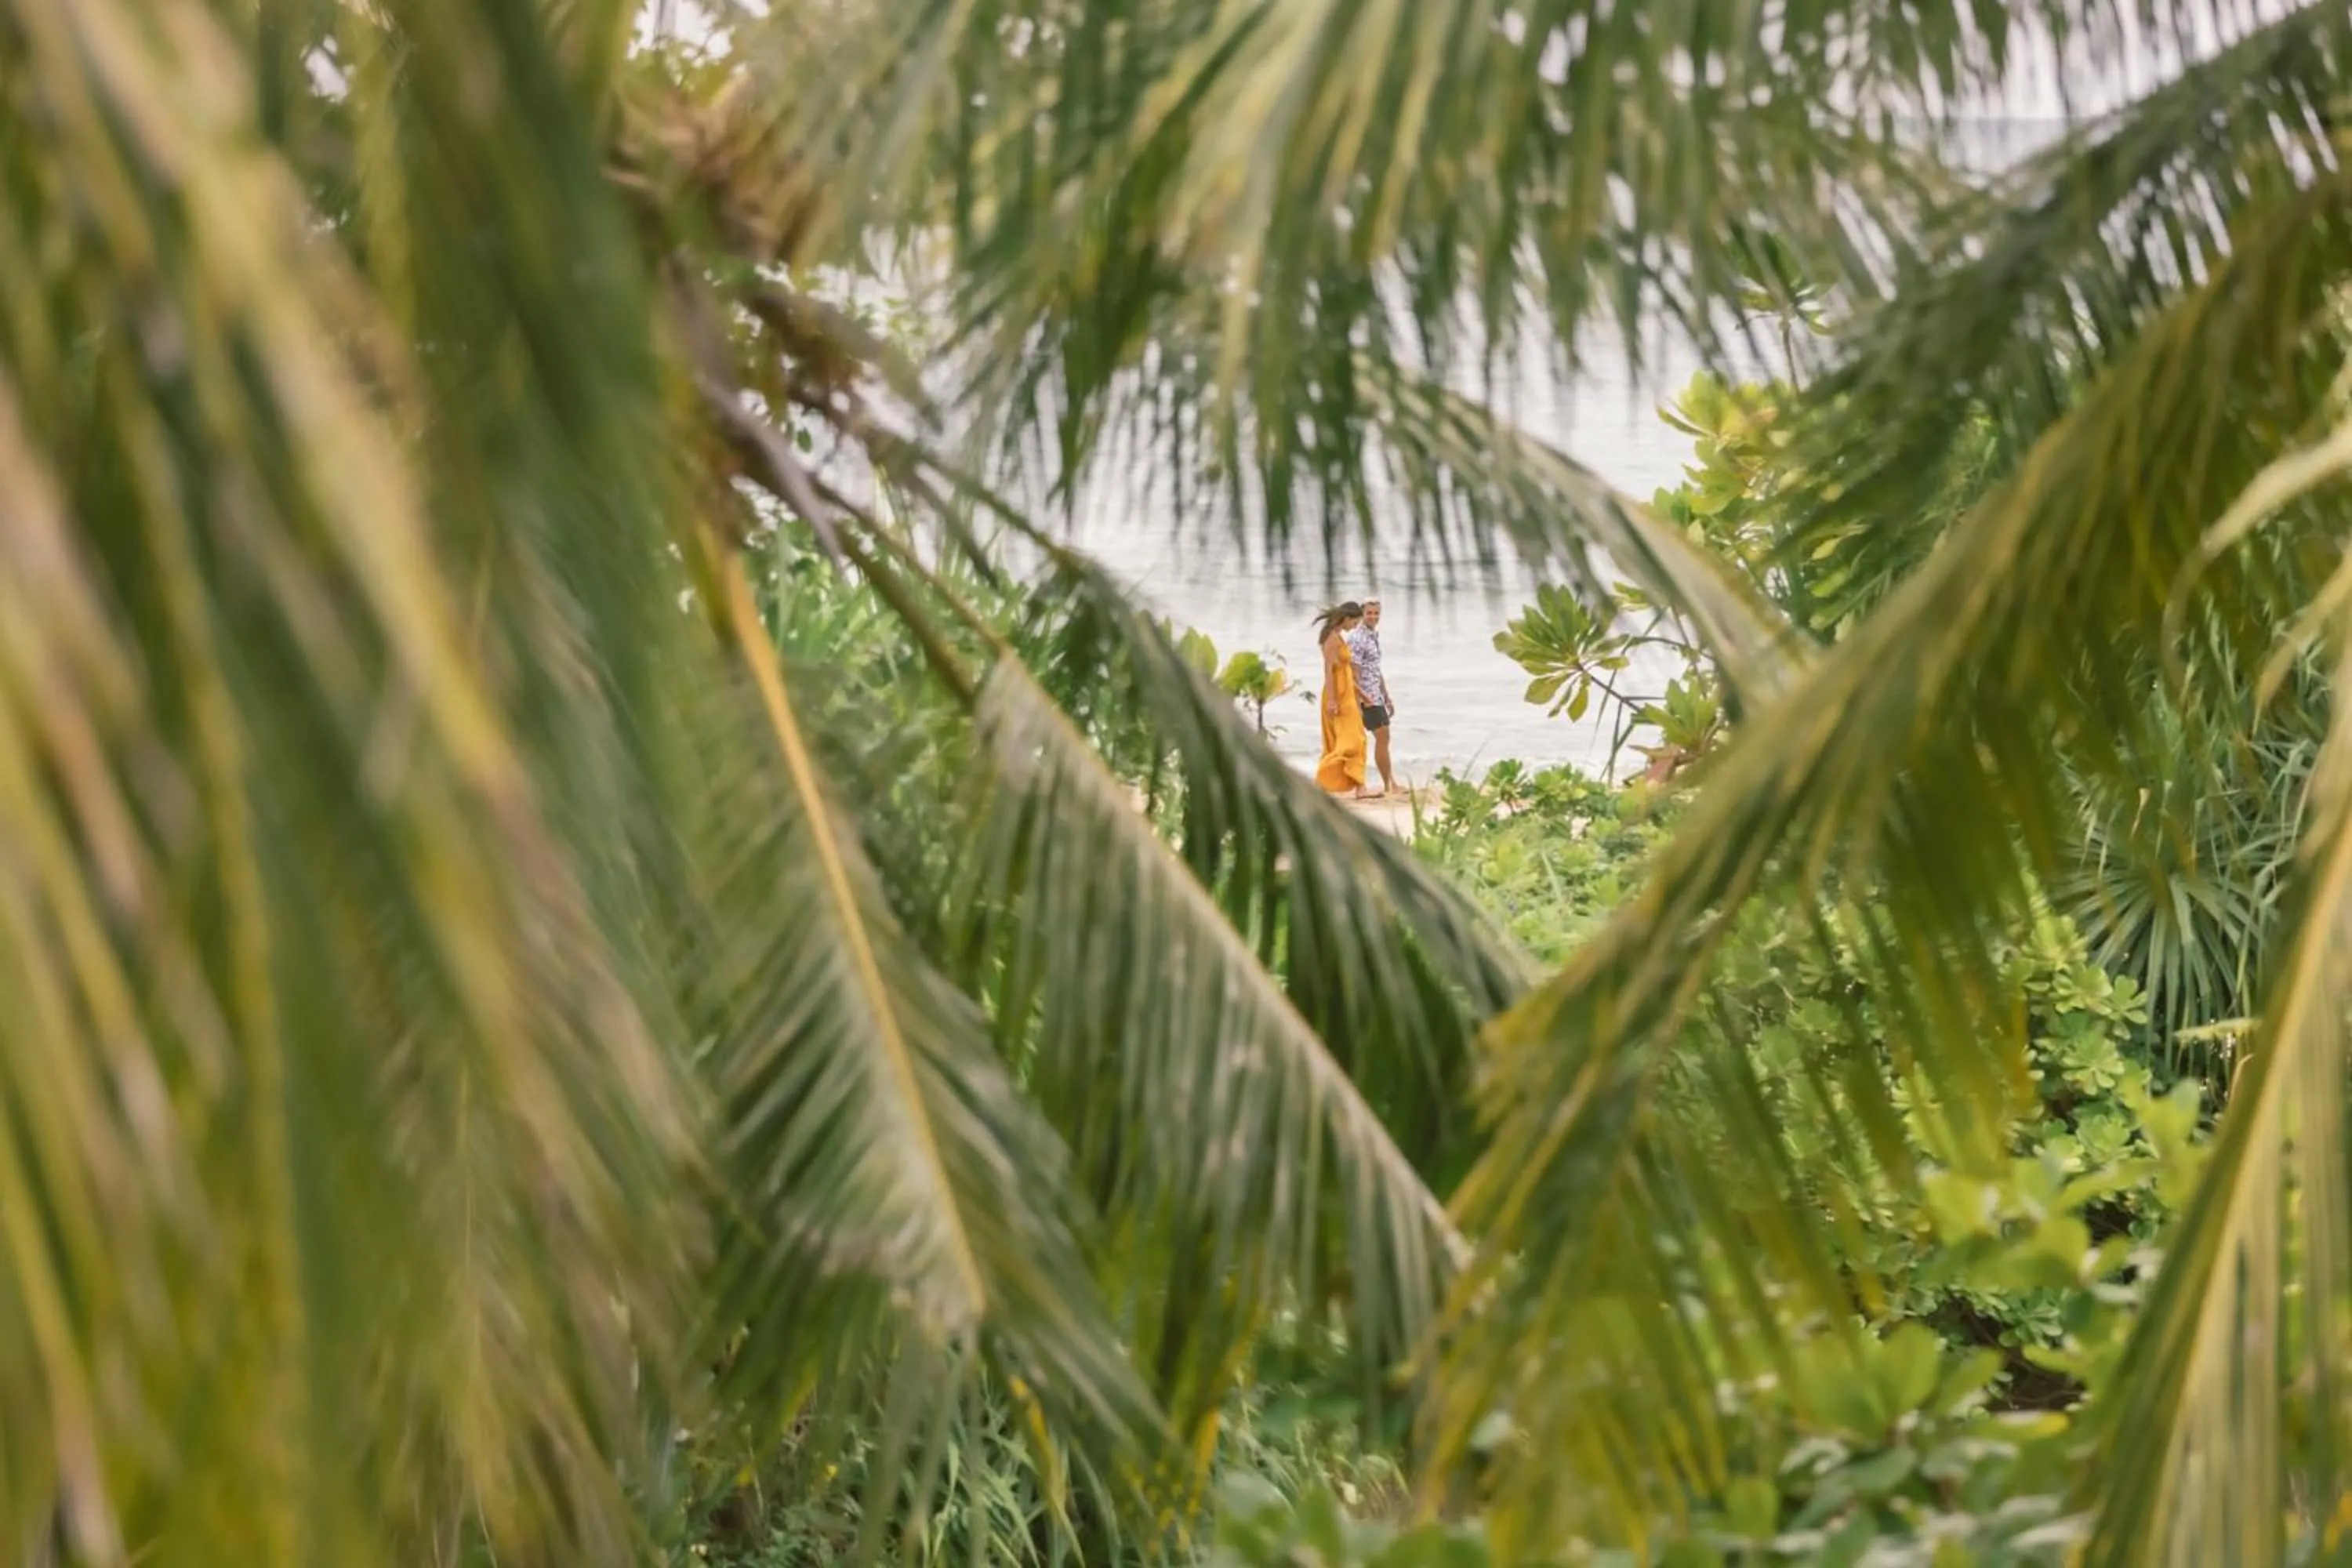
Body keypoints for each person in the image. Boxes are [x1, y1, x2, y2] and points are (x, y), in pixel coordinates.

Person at [1312, 602, 1373, 797]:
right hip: (1337, 695)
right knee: (1351, 742)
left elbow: (1345, 673)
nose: (1355, 626)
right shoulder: (1331, 639)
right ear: (1346, 618)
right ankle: (1321, 781)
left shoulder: (1338, 637)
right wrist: (1332, 700)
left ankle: (1359, 787)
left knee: (1357, 739)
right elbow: (1329, 671)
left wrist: (1363, 695)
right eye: (1354, 622)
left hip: (1347, 694)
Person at [1346, 597, 1396, 797]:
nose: (1373, 617)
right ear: (1362, 614)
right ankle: (1388, 785)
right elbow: (1354, 670)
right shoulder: (1357, 638)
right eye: (1369, 613)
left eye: (1377, 613)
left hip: (1375, 695)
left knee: (1382, 738)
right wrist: (1359, 699)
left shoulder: (1372, 636)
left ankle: (1389, 782)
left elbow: (1375, 669)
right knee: (1382, 737)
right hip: (1366, 697)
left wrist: (1386, 695)